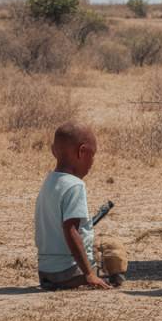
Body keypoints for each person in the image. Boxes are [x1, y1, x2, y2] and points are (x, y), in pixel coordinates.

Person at [34, 122, 127, 290]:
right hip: (68, 271)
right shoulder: (75, 185)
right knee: (113, 250)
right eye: (93, 155)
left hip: (45, 272)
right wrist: (89, 274)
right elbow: (71, 231)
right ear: (82, 151)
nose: (92, 162)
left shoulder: (50, 181)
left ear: (53, 150)